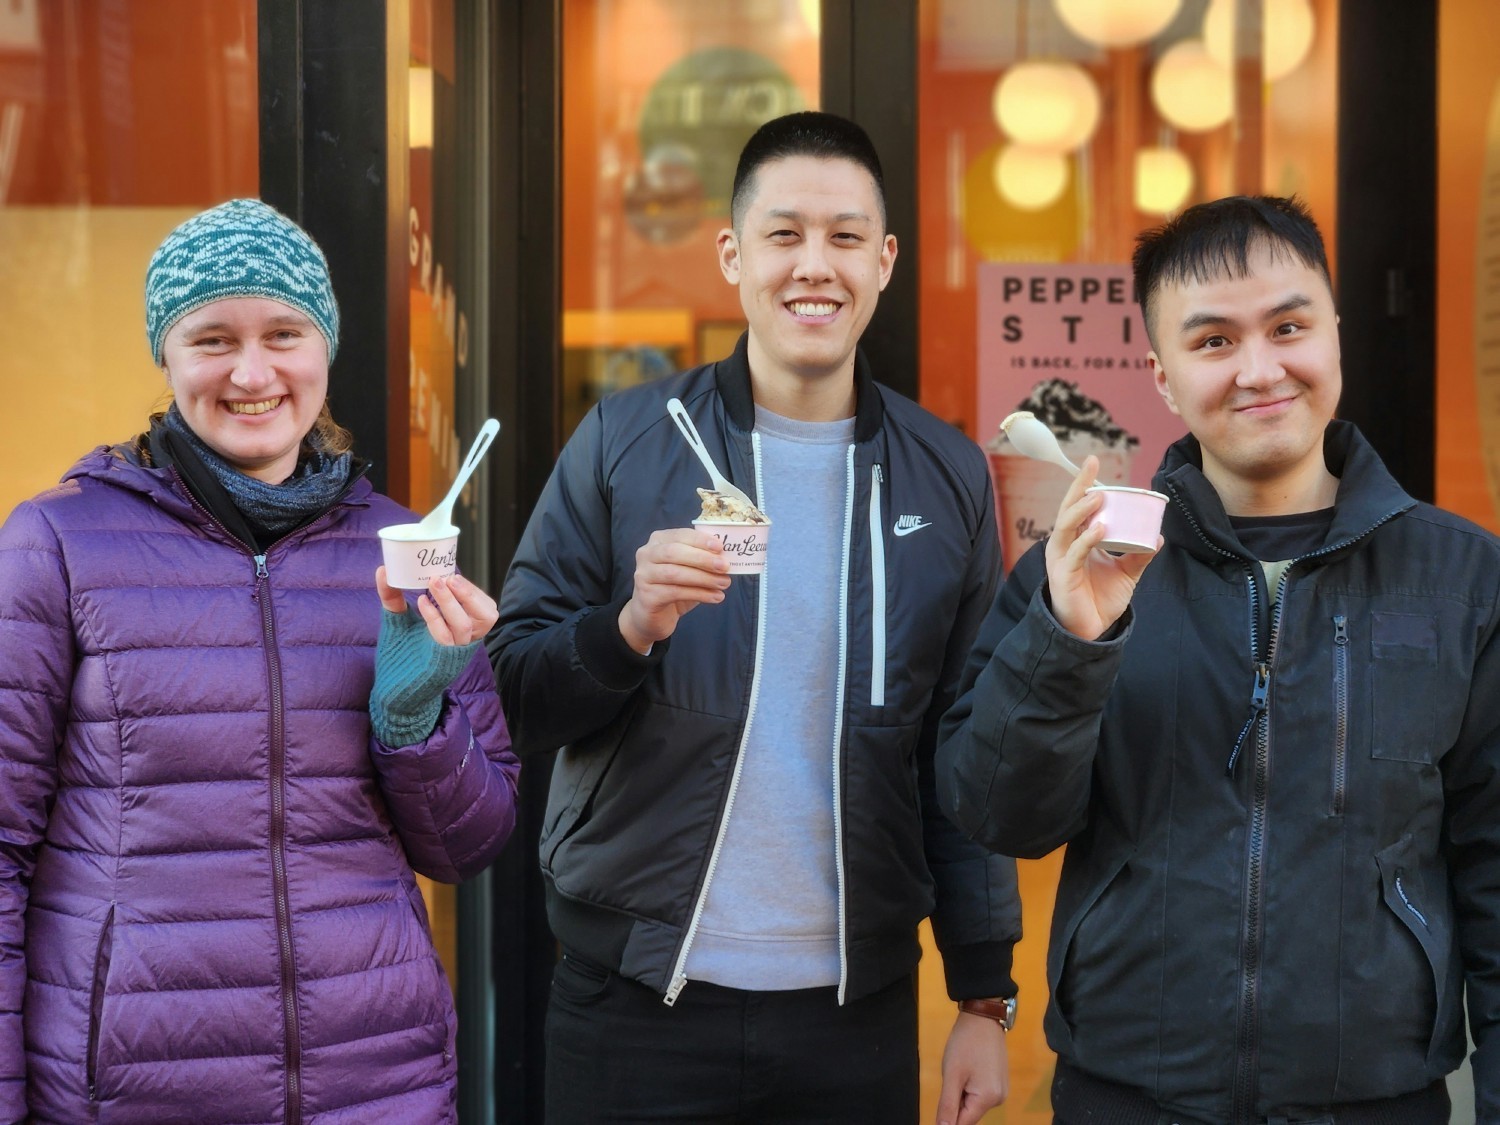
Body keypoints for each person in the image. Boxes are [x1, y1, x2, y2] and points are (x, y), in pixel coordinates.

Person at [490, 111, 1020, 1124]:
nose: (813, 266)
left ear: (885, 260)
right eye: (783, 235)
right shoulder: (628, 441)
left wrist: (983, 997)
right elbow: (511, 692)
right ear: (733, 255)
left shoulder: (946, 473)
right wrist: (628, 627)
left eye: (845, 237)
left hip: (852, 1015)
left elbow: (966, 748)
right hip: (631, 1000)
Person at [936, 194, 1500, 1122]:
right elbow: (999, 814)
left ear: (1335, 334)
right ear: (1162, 377)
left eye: (1288, 326)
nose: (1259, 368)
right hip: (1126, 1091)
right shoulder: (1082, 569)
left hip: (1375, 1098)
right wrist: (1070, 641)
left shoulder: (1461, 580)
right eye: (1213, 343)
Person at [0, 198, 521, 1125]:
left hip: (377, 1082)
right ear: (167, 354)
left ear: (326, 346)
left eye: (284, 331)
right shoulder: (58, 542)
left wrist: (416, 722)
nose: (252, 371)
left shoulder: (403, 545)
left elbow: (468, 845)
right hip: (133, 1090)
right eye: (212, 337)